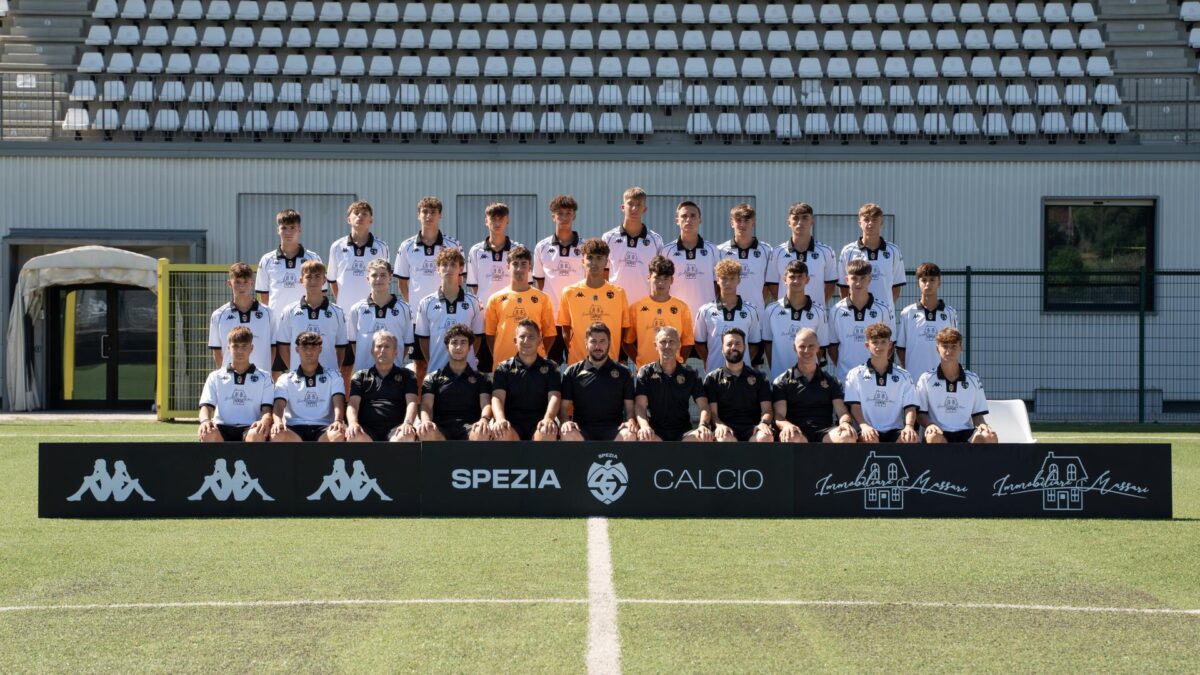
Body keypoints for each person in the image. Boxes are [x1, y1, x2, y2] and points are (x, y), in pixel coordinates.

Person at [772, 329, 857, 444]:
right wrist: (786, 426)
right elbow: (779, 415)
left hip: (825, 432)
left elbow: (842, 412)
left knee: (847, 436)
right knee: (790, 438)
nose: (806, 350)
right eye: (802, 346)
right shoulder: (782, 381)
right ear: (794, 348)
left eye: (811, 346)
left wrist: (845, 423)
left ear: (818, 347)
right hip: (796, 431)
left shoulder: (831, 381)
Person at [633, 326, 715, 442]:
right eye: (663, 342)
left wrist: (703, 425)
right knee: (643, 438)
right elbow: (640, 405)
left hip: (684, 433)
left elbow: (704, 406)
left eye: (671, 341)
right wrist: (645, 426)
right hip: (655, 432)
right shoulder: (646, 372)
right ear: (655, 345)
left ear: (678, 345)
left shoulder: (690, 373)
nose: (667, 346)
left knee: (704, 437)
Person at [558, 323, 639, 442]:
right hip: (581, 429)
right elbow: (563, 407)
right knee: (567, 433)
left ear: (609, 343)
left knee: (630, 434)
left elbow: (630, 409)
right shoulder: (572, 372)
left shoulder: (624, 372)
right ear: (586, 343)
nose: (598, 346)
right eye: (593, 341)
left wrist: (631, 421)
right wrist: (565, 422)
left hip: (614, 429)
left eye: (602, 341)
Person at [917, 327, 998, 444]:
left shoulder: (973, 379)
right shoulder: (926, 379)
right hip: (939, 431)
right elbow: (920, 414)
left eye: (953, 346)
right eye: (945, 346)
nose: (949, 351)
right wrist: (929, 425)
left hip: (967, 432)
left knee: (989, 436)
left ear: (961, 347)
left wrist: (982, 425)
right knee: (934, 437)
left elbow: (977, 415)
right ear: (937, 348)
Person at [414, 248, 483, 382]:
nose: (448, 269)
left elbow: (477, 338)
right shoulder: (426, 303)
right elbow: (423, 339)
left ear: (461, 269)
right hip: (437, 371)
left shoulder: (473, 302)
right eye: (444, 265)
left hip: (467, 372)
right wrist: (433, 361)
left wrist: (465, 358)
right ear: (437, 269)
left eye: (453, 265)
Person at [844, 323, 920, 444]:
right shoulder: (855, 374)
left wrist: (909, 426)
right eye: (875, 342)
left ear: (890, 345)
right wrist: (864, 426)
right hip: (867, 429)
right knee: (870, 439)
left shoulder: (904, 375)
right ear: (867, 345)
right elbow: (854, 407)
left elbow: (910, 407)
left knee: (910, 439)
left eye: (883, 342)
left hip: (895, 430)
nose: (879, 346)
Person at [558, 238, 631, 364]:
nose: (594, 262)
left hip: (610, 363)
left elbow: (623, 330)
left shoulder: (619, 293)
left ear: (606, 262)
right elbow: (565, 330)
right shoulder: (569, 292)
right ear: (582, 261)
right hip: (578, 363)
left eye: (599, 258)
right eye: (590, 257)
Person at [484, 245, 557, 371]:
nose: (519, 269)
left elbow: (549, 334)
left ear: (530, 267)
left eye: (524, 264)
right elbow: (490, 334)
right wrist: (498, 354)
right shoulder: (495, 298)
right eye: (515, 264)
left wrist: (539, 354)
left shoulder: (542, 298)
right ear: (508, 266)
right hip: (503, 365)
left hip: (533, 366)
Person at [417, 324, 494, 441]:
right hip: (440, 429)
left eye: (463, 342)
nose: (458, 347)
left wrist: (484, 420)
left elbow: (486, 405)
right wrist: (426, 421)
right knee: (425, 432)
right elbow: (426, 405)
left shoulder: (482, 378)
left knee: (482, 433)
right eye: (454, 342)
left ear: (469, 347)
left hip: (471, 428)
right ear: (447, 347)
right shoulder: (432, 378)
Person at [533, 194, 586, 363]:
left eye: (568, 213)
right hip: (552, 319)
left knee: (578, 362)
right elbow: (540, 281)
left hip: (577, 317)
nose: (564, 217)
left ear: (574, 216)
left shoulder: (584, 247)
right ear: (553, 216)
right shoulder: (542, 247)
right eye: (560, 213)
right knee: (550, 363)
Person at [198, 326, 275, 442]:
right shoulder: (215, 376)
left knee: (257, 434)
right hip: (222, 426)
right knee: (208, 432)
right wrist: (205, 421)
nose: (240, 351)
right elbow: (206, 407)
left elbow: (267, 411)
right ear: (228, 348)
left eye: (244, 346)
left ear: (251, 348)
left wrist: (264, 421)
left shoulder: (265, 377)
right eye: (235, 346)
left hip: (250, 427)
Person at [490, 319, 562, 441]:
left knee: (547, 432)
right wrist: (500, 419)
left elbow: (555, 396)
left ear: (540, 340)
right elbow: (497, 398)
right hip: (511, 423)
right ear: (515, 341)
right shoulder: (503, 368)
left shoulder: (551, 367)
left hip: (541, 422)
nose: (526, 341)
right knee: (501, 432)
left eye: (531, 337)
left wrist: (549, 418)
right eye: (522, 337)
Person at [275, 260, 349, 378]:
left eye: (317, 276)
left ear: (324, 280)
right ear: (301, 280)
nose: (313, 281)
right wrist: (296, 371)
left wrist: (333, 372)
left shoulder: (337, 312)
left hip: (328, 378)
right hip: (299, 379)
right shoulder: (289, 311)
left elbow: (341, 348)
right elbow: (283, 347)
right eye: (308, 277)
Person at [270, 331, 347, 443]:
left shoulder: (334, 375)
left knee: (338, 435)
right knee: (276, 435)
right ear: (297, 349)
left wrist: (338, 420)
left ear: (320, 349)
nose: (309, 351)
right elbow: (278, 405)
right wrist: (277, 422)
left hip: (325, 427)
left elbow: (338, 402)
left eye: (313, 347)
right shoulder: (285, 378)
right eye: (305, 347)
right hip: (294, 427)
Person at [828, 259, 897, 383]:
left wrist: (877, 367)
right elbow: (832, 347)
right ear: (847, 280)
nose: (858, 283)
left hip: (874, 378)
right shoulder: (836, 311)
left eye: (863, 278)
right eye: (854, 278)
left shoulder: (883, 310)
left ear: (869, 280)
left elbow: (890, 345)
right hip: (845, 379)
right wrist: (844, 369)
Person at [761, 260, 830, 382]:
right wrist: (776, 371)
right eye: (792, 277)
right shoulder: (771, 310)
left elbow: (820, 348)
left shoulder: (819, 311)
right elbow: (768, 345)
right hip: (779, 380)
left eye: (800, 277)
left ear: (807, 279)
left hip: (809, 382)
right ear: (784, 279)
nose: (796, 281)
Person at [344, 331, 419, 442]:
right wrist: (353, 423)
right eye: (379, 346)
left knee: (406, 436)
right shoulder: (360, 376)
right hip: (366, 429)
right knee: (353, 436)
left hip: (397, 428)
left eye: (387, 347)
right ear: (372, 351)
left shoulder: (408, 375)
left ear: (395, 352)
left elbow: (412, 402)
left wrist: (407, 423)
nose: (382, 350)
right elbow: (353, 404)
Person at [703, 328, 775, 442]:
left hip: (753, 428)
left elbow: (767, 410)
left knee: (765, 437)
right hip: (725, 429)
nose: (733, 347)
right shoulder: (712, 379)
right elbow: (713, 413)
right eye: (729, 344)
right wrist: (719, 425)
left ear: (744, 347)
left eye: (738, 343)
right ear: (722, 349)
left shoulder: (760, 377)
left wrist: (764, 423)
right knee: (724, 439)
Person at [624, 255, 695, 367]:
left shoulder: (682, 308)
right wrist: (640, 363)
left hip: (672, 371)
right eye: (657, 278)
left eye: (665, 278)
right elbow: (627, 342)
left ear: (672, 280)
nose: (661, 283)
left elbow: (688, 342)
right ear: (649, 277)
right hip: (645, 372)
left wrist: (679, 364)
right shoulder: (636, 308)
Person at [694, 259, 762, 373]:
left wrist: (741, 363)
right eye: (724, 278)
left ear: (739, 280)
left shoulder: (751, 311)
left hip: (742, 375)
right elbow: (699, 343)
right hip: (714, 372)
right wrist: (709, 361)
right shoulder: (705, 310)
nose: (728, 283)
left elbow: (754, 344)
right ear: (717, 280)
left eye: (732, 278)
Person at [346, 259, 414, 375]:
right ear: (368, 279)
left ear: (390, 278)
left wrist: (392, 363)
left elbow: (407, 343)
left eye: (383, 275)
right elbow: (353, 343)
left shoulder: (404, 309)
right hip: (364, 374)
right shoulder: (356, 309)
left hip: (393, 375)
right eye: (374, 275)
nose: (378, 279)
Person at [394, 195, 462, 307]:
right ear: (418, 215)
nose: (429, 216)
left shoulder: (453, 245)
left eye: (433, 212)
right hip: (416, 311)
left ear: (440, 215)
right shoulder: (406, 246)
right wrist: (413, 306)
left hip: (444, 310)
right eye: (425, 212)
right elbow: (402, 283)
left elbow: (459, 279)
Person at [208, 262, 275, 374]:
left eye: (245, 282)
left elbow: (274, 349)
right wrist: (226, 376)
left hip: (260, 380)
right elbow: (217, 352)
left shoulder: (268, 314)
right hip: (230, 379)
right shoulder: (218, 315)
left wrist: (263, 374)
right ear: (229, 283)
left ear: (252, 283)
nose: (242, 286)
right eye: (237, 282)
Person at [601, 186, 665, 304]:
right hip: (615, 303)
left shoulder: (656, 240)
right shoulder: (608, 238)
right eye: (630, 204)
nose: (634, 208)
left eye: (639, 205)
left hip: (645, 306)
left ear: (644, 209)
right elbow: (603, 272)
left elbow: (661, 275)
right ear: (622, 207)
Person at [898, 262, 960, 380]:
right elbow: (901, 348)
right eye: (924, 280)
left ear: (939, 283)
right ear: (918, 284)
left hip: (942, 379)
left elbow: (955, 346)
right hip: (914, 378)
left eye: (932, 280)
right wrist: (909, 370)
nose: (928, 284)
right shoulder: (907, 313)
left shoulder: (950, 313)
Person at [767, 202, 838, 305]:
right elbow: (772, 285)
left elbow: (830, 285)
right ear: (789, 222)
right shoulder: (777, 252)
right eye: (795, 218)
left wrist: (817, 307)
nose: (800, 222)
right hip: (785, 312)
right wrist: (785, 305)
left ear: (812, 221)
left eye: (805, 218)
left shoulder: (826, 251)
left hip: (815, 313)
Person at [658, 201, 720, 319]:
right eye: (684, 216)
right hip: (674, 316)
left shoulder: (713, 250)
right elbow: (660, 284)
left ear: (700, 220)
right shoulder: (666, 251)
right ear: (677, 220)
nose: (688, 220)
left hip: (707, 317)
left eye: (693, 216)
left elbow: (719, 285)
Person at [255, 208, 323, 313]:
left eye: (292, 227)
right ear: (278, 230)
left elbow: (321, 292)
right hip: (276, 320)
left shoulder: (313, 258)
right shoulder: (266, 260)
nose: (288, 232)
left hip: (304, 319)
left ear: (299, 229)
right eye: (284, 228)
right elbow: (263, 294)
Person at [327, 200, 391, 310]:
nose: (360, 216)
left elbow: (385, 278)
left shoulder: (381, 247)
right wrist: (342, 301)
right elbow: (332, 280)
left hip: (372, 310)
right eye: (356, 213)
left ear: (371, 220)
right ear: (348, 219)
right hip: (345, 310)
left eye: (364, 214)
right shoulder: (337, 247)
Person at [837, 202, 905, 303]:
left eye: (874, 220)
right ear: (860, 223)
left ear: (881, 222)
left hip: (884, 312)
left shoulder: (894, 251)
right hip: (856, 311)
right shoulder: (848, 251)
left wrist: (885, 308)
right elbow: (843, 287)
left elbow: (896, 288)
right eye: (866, 219)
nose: (870, 223)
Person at [717, 202, 775, 311]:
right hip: (728, 312)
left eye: (746, 220)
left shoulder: (766, 250)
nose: (742, 225)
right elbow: (717, 284)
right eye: (738, 220)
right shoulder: (720, 251)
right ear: (732, 223)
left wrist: (754, 305)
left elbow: (769, 285)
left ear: (753, 223)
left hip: (757, 313)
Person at [467, 202, 524, 305]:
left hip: (510, 308)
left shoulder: (518, 250)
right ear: (486, 221)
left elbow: (525, 283)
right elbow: (474, 285)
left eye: (501, 219)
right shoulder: (475, 251)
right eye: (493, 219)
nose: (497, 223)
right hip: (485, 309)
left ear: (507, 220)